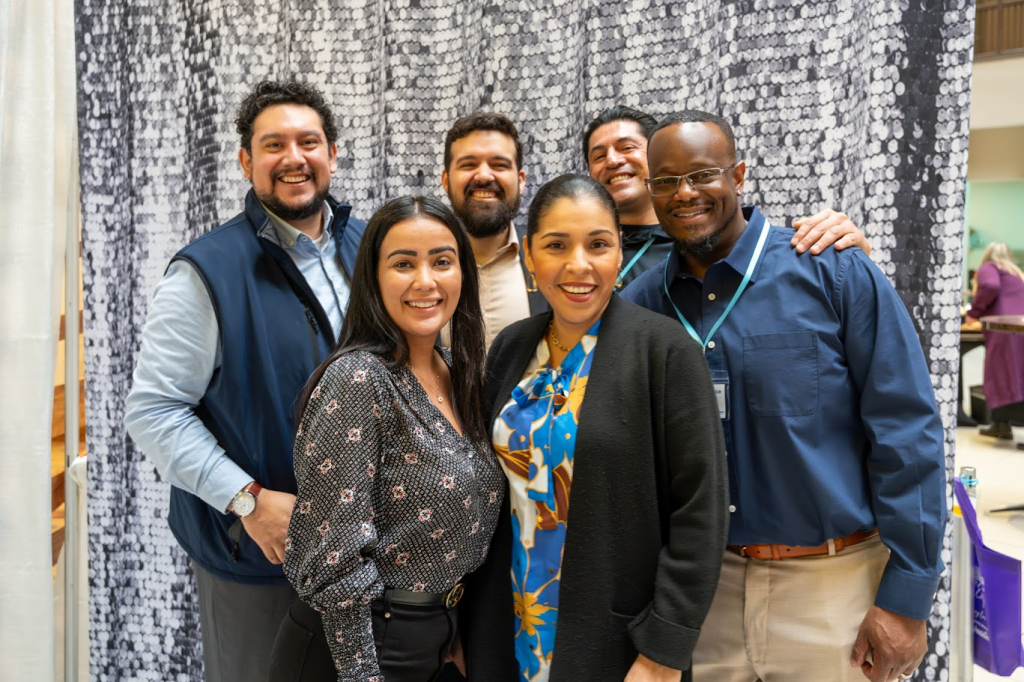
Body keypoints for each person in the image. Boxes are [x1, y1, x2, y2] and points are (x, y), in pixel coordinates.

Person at [621, 111, 946, 682]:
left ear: (739, 175)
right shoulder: (642, 305)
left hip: (832, 590)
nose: (685, 193)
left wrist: (908, 594)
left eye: (703, 174)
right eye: (666, 181)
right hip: (703, 597)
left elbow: (906, 430)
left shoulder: (832, 271)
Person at [124, 80, 367, 681]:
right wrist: (248, 501)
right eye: (273, 144)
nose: (293, 158)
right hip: (262, 561)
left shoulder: (371, 248)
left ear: (332, 154)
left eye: (308, 142)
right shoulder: (206, 270)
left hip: (367, 553)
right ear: (245, 161)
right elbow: (154, 412)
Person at [462, 174, 729, 682]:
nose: (578, 264)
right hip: (507, 625)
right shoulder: (510, 349)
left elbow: (702, 511)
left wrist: (663, 649)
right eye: (556, 245)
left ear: (619, 255)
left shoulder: (666, 352)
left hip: (619, 644)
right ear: (530, 257)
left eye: (598, 244)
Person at [269, 196, 506, 682]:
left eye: (442, 261)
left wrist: (451, 622)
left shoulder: (459, 373)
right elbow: (333, 560)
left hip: (435, 633)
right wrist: (362, 674)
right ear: (373, 279)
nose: (426, 281)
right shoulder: (359, 379)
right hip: (358, 646)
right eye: (403, 264)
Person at [581, 105, 873, 287]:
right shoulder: (579, 248)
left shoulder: (711, 237)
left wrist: (852, 260)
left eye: (627, 147)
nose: (613, 161)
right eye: (599, 155)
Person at [441, 112, 548, 347]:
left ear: (521, 181)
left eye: (499, 165)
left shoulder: (549, 257)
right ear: (446, 181)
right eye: (469, 165)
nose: (483, 176)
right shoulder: (421, 266)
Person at [965, 242, 1024, 441]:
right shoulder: (1016, 273)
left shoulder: (989, 268)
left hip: (1003, 329)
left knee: (999, 374)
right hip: (1020, 326)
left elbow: (990, 286)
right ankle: (1001, 424)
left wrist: (974, 312)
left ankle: (1001, 424)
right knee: (1017, 375)